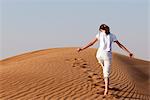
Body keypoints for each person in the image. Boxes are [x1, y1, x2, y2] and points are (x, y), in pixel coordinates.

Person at [77, 24, 133, 96]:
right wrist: (82, 48)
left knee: (105, 72)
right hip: (102, 55)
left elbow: (119, 45)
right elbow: (91, 43)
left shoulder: (108, 35)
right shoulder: (103, 35)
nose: (106, 29)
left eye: (106, 28)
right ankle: (106, 86)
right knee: (105, 72)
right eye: (104, 28)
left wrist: (128, 52)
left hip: (103, 55)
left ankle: (106, 89)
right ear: (101, 30)